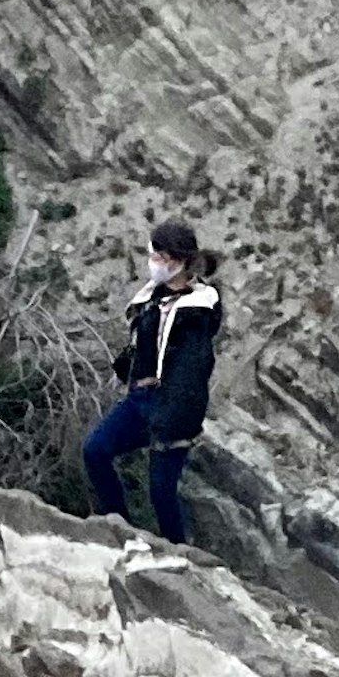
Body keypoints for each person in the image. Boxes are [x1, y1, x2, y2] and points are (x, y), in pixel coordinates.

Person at [82, 220, 222, 540]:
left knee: (161, 492)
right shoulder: (152, 298)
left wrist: (172, 420)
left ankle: (181, 556)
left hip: (173, 407)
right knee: (95, 450)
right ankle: (120, 530)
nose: (153, 261)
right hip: (139, 401)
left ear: (177, 260)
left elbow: (191, 370)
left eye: (157, 255)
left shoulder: (197, 311)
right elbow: (147, 343)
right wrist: (129, 364)